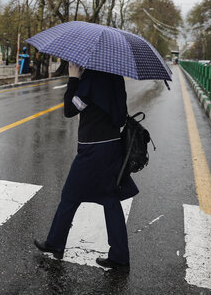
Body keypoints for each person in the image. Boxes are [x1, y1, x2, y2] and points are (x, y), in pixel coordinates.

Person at [34, 62, 138, 272]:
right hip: (112, 147)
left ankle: (55, 243)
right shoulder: (115, 76)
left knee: (70, 196)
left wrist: (73, 78)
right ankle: (119, 255)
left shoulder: (93, 79)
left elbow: (70, 109)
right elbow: (119, 114)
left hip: (92, 150)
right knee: (109, 199)